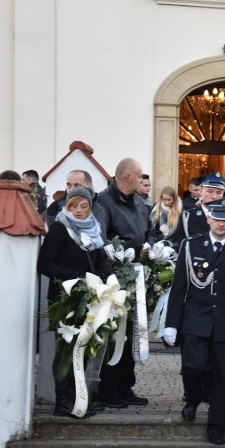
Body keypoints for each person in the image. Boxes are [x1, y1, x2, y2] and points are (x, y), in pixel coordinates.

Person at [163, 199, 225, 445]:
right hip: (195, 319)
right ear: (209, 220)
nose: (221, 223)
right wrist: (172, 322)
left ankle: (217, 426)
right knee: (194, 366)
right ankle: (193, 398)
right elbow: (179, 286)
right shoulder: (191, 246)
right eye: (217, 218)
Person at [93, 157, 161, 408]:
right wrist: (122, 251)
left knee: (133, 333)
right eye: (140, 175)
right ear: (127, 176)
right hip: (116, 277)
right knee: (116, 336)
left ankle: (125, 385)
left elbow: (152, 231)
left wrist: (149, 246)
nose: (144, 180)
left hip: (139, 275)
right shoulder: (103, 202)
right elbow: (100, 239)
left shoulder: (140, 203)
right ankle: (108, 388)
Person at [37, 188, 108, 418]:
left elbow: (100, 262)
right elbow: (45, 265)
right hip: (64, 300)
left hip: (89, 299)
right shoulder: (59, 228)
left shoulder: (94, 230)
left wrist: (103, 279)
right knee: (66, 351)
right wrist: (76, 278)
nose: (78, 211)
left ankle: (79, 398)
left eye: (83, 206)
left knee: (84, 349)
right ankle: (63, 402)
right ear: (66, 207)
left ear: (90, 207)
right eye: (73, 206)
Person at [167, 172, 225, 247]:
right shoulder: (188, 217)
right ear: (200, 190)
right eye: (210, 191)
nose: (214, 196)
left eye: (219, 192)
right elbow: (178, 245)